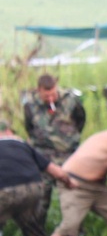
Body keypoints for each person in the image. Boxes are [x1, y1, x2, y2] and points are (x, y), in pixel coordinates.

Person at [0, 117, 75, 236]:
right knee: (35, 233)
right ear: (9, 132)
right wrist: (70, 183)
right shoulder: (22, 145)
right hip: (32, 189)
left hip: (3, 191)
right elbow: (56, 171)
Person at [23, 73, 86, 221]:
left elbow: (80, 120)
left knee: (72, 197)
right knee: (40, 198)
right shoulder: (30, 106)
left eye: (53, 94)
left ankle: (74, 232)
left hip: (68, 156)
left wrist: (68, 139)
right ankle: (37, 234)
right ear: (39, 90)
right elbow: (29, 128)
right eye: (46, 96)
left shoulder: (70, 101)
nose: (50, 98)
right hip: (43, 159)